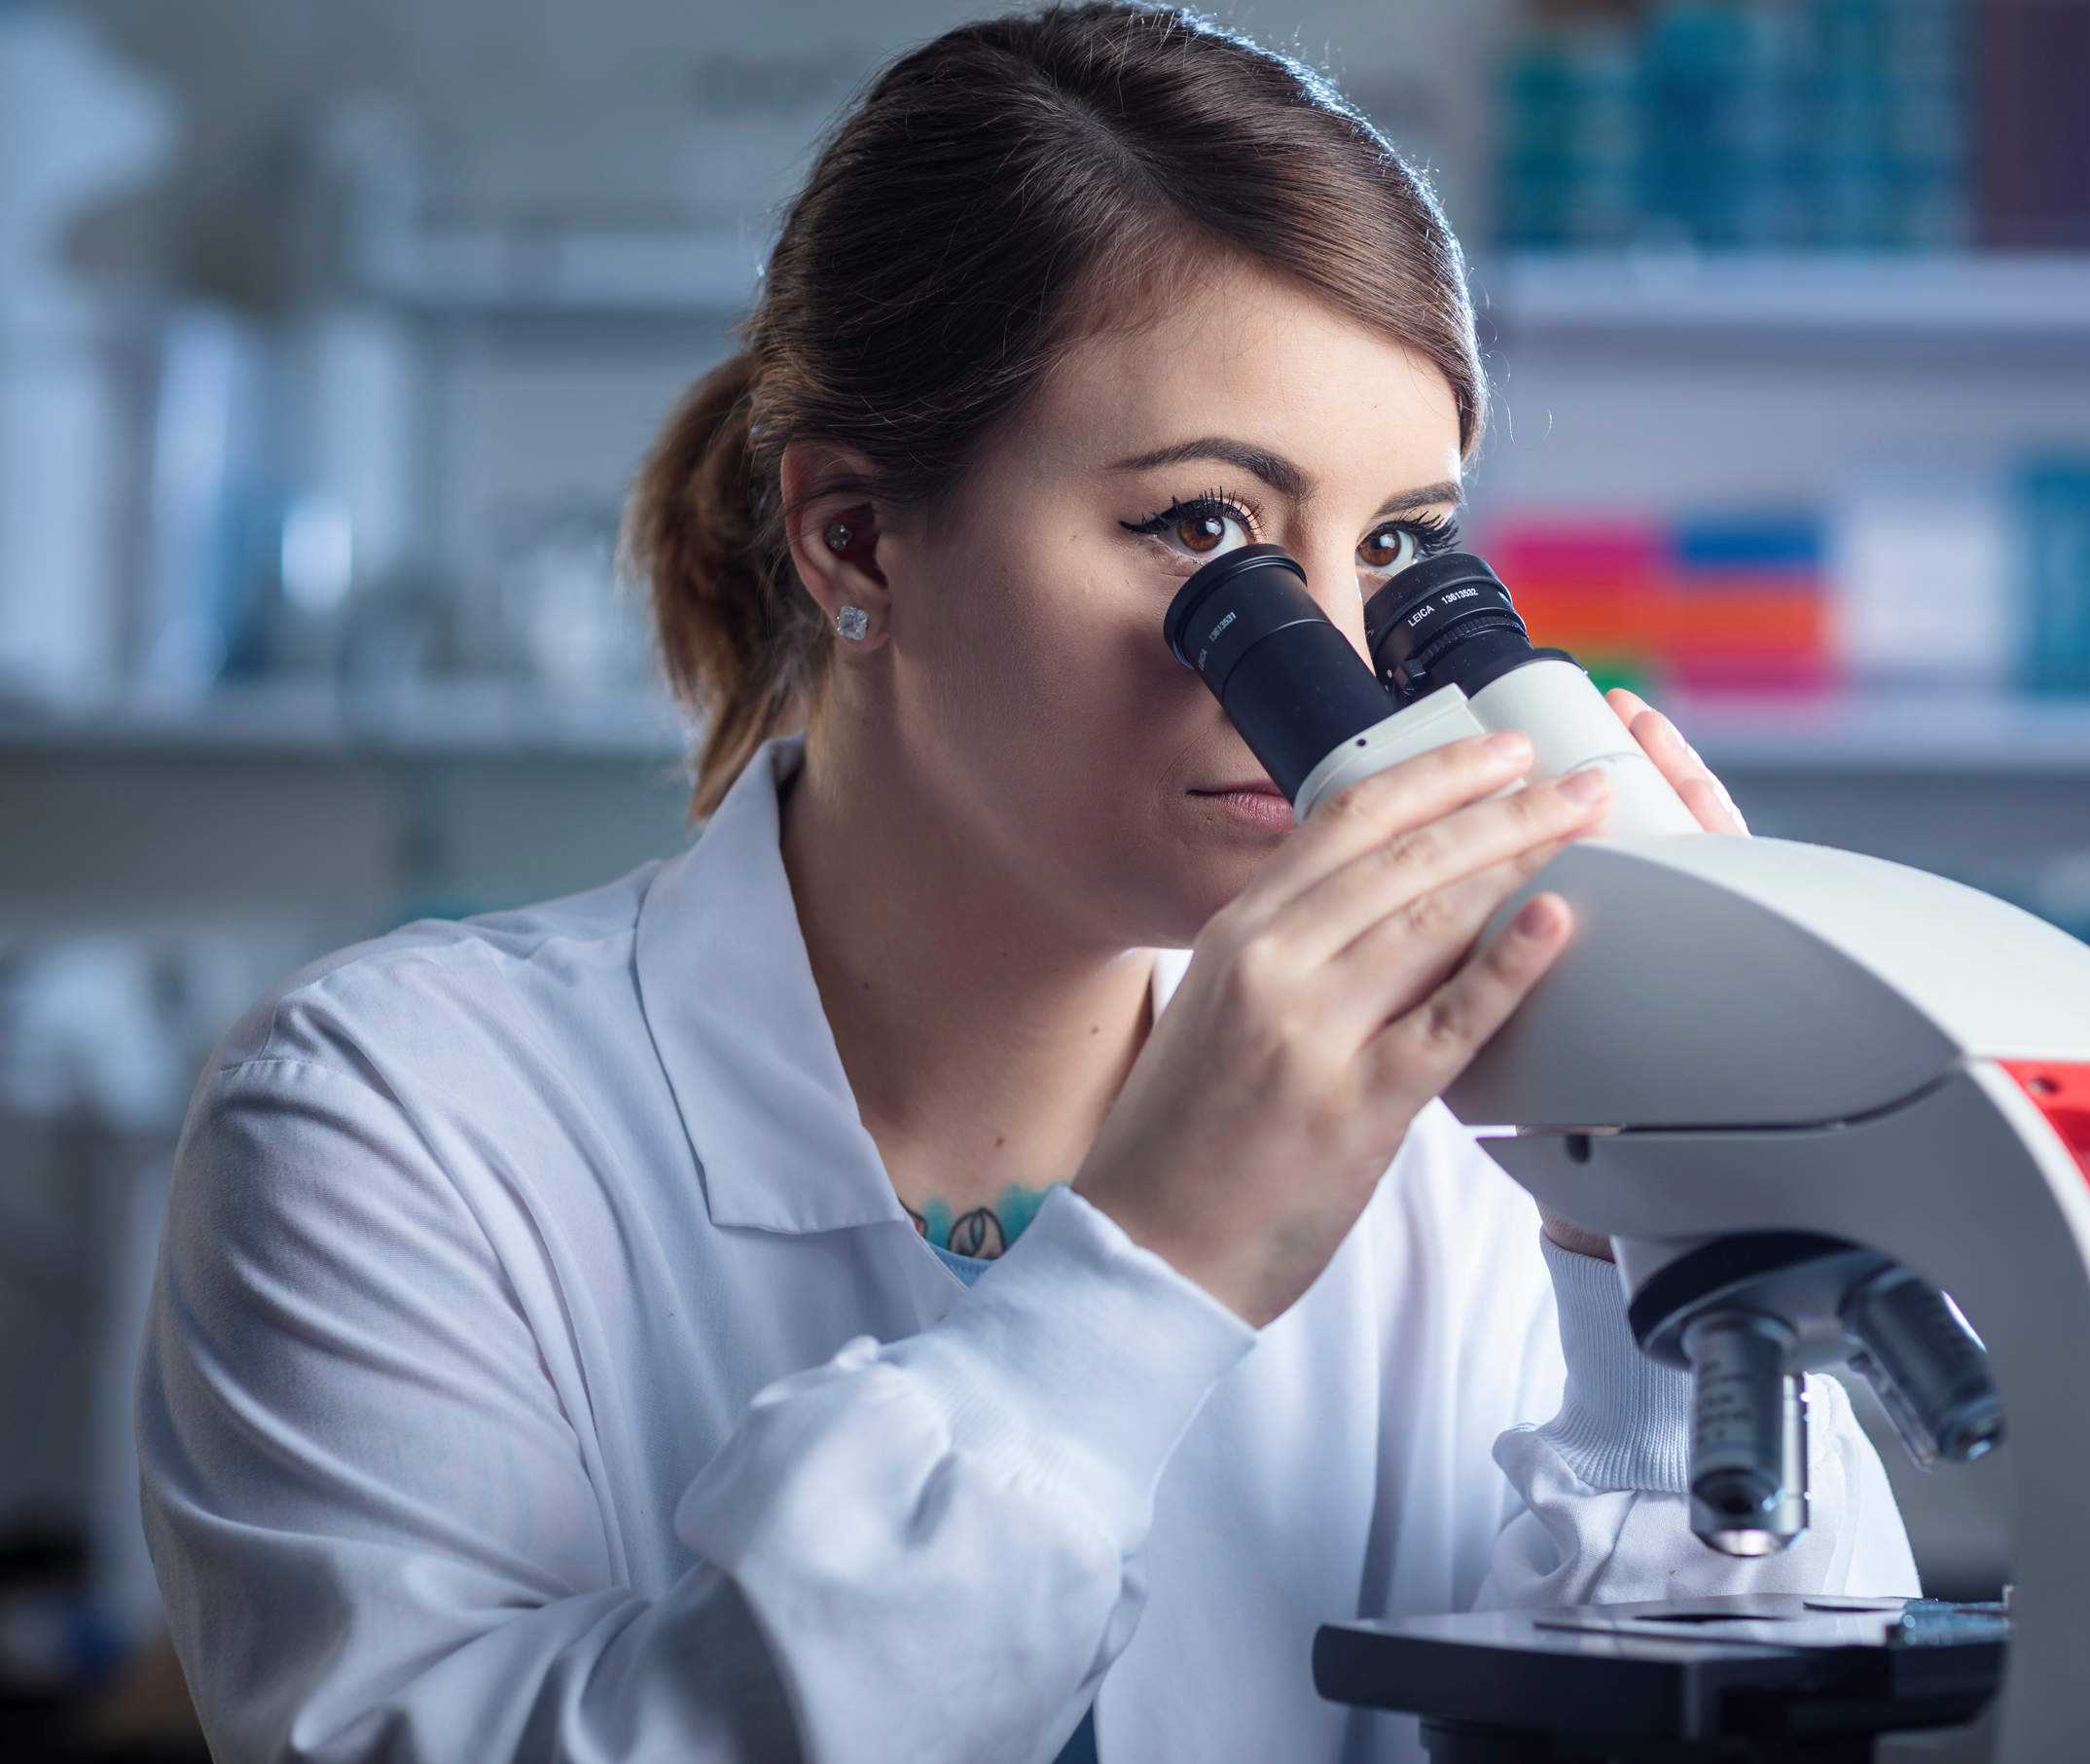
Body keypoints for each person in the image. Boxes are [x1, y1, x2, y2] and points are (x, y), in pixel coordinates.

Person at [137, 8, 1916, 1761]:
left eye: (1392, 550)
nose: (1331, 662)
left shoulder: (1464, 1169)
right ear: (859, 540)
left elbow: (1776, 1701)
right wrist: (1156, 1270)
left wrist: (1660, 1229)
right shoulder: (400, 1122)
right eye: (1203, 528)